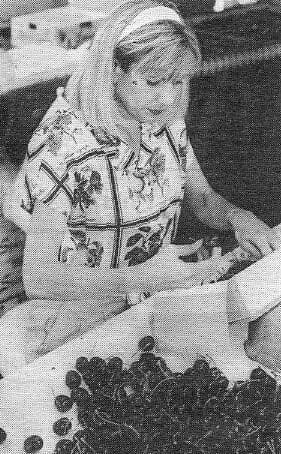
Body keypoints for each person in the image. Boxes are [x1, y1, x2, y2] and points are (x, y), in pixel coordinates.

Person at [3, 0, 281, 357]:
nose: (167, 98)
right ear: (115, 69)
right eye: (152, 82)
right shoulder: (62, 144)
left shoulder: (160, 115)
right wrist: (147, 278)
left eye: (178, 82)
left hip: (151, 297)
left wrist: (236, 217)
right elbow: (40, 277)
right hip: (84, 307)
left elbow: (203, 200)